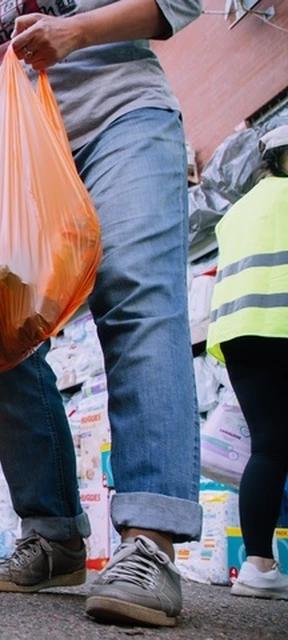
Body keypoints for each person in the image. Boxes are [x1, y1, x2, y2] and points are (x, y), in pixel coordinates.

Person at [0, 0, 203, 627]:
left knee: (135, 295)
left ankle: (150, 543)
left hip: (120, 120)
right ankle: (54, 536)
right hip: (22, 163)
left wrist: (77, 30)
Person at [206, 124, 288, 600]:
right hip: (282, 323)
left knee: (269, 449)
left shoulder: (238, 211)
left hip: (240, 337)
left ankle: (258, 565)